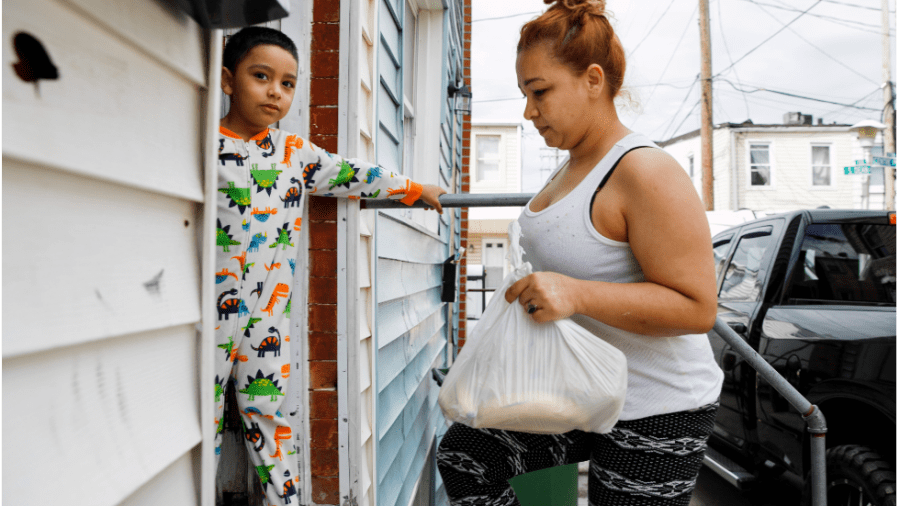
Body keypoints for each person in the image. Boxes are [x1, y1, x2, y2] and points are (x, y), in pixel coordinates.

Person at [436, 0, 724, 505]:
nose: (528, 112)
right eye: (526, 94)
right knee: (466, 457)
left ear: (593, 80)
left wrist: (575, 294)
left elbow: (698, 308)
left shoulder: (644, 172)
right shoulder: (569, 166)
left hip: (658, 406)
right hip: (580, 390)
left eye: (540, 91)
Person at [213, 27, 445, 505]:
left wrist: (415, 190)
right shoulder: (204, 148)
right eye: (261, 76)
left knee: (271, 415)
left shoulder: (295, 154)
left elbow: (354, 174)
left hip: (266, 317)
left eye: (288, 83)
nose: (276, 91)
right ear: (227, 80)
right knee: (200, 416)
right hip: (211, 315)